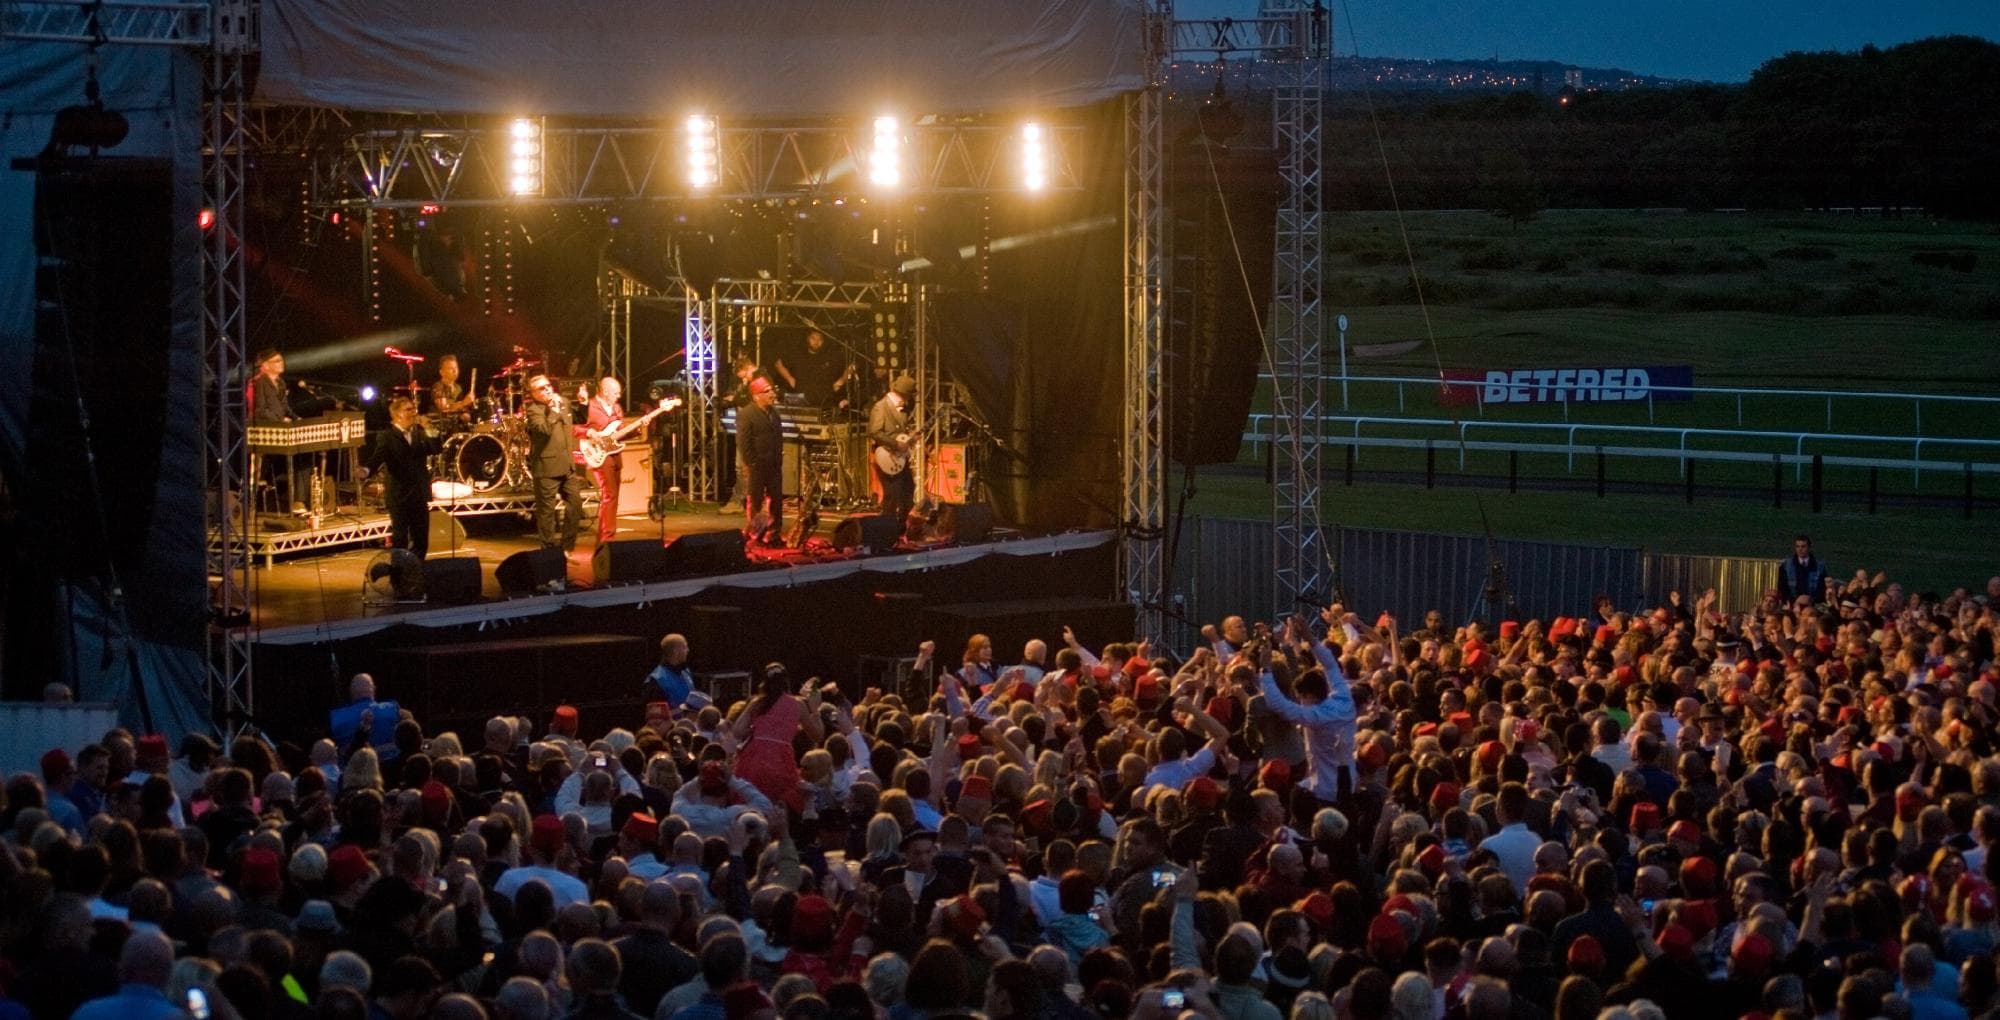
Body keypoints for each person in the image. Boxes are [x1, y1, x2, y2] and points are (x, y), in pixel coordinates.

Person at [730, 662, 823, 813]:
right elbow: (817, 735)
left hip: (753, 759)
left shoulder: (757, 703)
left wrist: (757, 730)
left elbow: (737, 731)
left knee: (750, 803)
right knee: (780, 805)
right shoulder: (797, 704)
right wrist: (815, 710)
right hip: (781, 760)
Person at [363, 396, 439, 559]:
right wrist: (367, 470)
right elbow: (379, 455)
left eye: (413, 409)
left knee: (421, 539)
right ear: (397, 415)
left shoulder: (419, 433)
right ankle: (399, 574)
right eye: (408, 410)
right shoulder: (387, 436)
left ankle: (417, 572)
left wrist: (429, 427)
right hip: (399, 495)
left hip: (418, 493)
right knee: (400, 538)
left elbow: (436, 448)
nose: (413, 413)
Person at [524, 373, 583, 572]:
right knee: (546, 515)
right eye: (541, 388)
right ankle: (549, 555)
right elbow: (544, 430)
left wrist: (582, 403)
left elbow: (579, 419)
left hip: (567, 465)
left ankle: (567, 549)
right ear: (533, 394)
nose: (547, 389)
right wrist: (553, 411)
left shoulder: (563, 402)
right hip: (546, 468)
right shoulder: (533, 410)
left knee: (575, 505)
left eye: (548, 385)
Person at [718, 355, 769, 515]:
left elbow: (744, 400)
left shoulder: (759, 381)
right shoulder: (757, 380)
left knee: (743, 467)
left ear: (748, 369)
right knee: (746, 467)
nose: (744, 380)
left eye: (744, 376)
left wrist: (739, 395)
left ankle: (742, 501)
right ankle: (749, 501)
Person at [737, 376, 784, 546]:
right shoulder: (747, 414)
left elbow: (778, 437)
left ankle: (773, 534)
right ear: (757, 396)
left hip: (774, 464)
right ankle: (755, 535)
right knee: (755, 501)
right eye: (767, 391)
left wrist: (779, 459)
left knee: (776, 500)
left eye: (772, 390)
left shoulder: (774, 413)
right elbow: (743, 442)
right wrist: (752, 462)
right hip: (757, 465)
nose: (772, 393)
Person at [584, 376, 627, 545]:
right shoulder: (590, 406)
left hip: (615, 455)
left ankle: (604, 538)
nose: (618, 396)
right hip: (599, 455)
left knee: (613, 496)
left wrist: (640, 428)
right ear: (605, 391)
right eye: (615, 393)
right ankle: (608, 538)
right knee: (610, 494)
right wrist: (591, 434)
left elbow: (621, 433)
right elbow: (577, 428)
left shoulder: (617, 408)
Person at [868, 374, 917, 522]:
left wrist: (911, 437)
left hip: (900, 458)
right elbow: (874, 432)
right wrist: (896, 444)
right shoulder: (881, 407)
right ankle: (884, 528)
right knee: (892, 496)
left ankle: (901, 527)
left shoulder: (902, 409)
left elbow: (899, 433)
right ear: (904, 394)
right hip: (886, 456)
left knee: (908, 491)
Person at [775, 329, 852, 411]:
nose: (816, 342)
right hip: (802, 401)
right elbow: (778, 364)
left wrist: (841, 381)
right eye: (813, 338)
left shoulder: (830, 356)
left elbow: (852, 364)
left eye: (820, 339)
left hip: (825, 402)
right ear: (808, 339)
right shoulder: (798, 355)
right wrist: (790, 379)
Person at [1777, 533, 1828, 604]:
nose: (1800, 549)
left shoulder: (1820, 566)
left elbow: (1821, 587)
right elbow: (1782, 586)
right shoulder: (1786, 565)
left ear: (1809, 547)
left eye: (1803, 546)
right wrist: (1792, 601)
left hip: (1813, 603)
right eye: (1797, 546)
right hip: (1792, 603)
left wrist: (1812, 600)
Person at [249, 347, 294, 424]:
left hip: (278, 425)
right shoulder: (257, 382)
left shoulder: (281, 382)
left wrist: (297, 418)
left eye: (282, 360)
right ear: (266, 365)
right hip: (260, 426)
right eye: (277, 361)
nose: (282, 363)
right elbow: (260, 410)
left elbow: (285, 407)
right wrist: (280, 419)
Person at [429, 354, 478, 422]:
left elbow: (461, 410)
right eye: (450, 368)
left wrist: (468, 405)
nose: (455, 371)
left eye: (456, 368)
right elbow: (444, 409)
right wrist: (463, 403)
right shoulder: (438, 386)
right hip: (439, 425)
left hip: (454, 424)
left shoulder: (458, 388)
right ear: (441, 372)